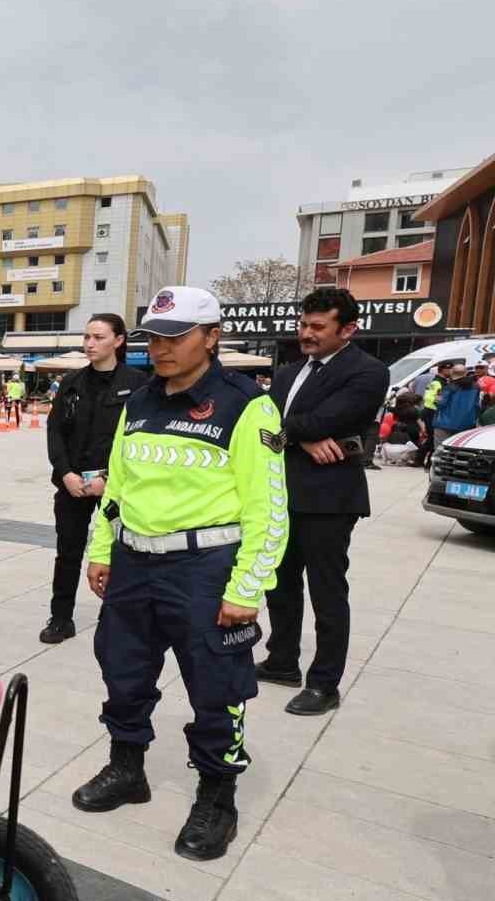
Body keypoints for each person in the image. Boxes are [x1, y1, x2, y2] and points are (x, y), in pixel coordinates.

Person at [76, 286, 287, 862]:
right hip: (133, 563)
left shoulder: (248, 405)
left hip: (205, 568)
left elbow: (268, 510)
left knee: (218, 687)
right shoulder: (139, 400)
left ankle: (217, 797)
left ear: (211, 337)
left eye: (176, 337)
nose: (161, 349)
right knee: (122, 671)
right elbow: (116, 487)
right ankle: (127, 768)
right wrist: (101, 550)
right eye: (153, 337)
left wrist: (247, 589)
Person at [256, 287, 389, 718]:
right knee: (280, 582)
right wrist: (304, 437)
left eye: (317, 327)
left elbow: (326, 419)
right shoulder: (289, 371)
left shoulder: (367, 371)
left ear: (347, 329)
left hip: (330, 496)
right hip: (282, 493)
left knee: (328, 593)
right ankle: (282, 661)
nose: (306, 334)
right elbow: (263, 422)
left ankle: (324, 683)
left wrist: (294, 432)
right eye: (302, 325)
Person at [40, 314, 146, 644]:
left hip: (115, 487)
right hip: (72, 483)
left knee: (118, 552)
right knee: (67, 552)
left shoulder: (139, 384)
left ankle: (111, 617)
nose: (90, 343)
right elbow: (55, 430)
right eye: (87, 337)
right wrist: (65, 473)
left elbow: (140, 439)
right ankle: (60, 617)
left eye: (98, 337)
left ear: (118, 340)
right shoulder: (71, 382)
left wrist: (109, 478)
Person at [428, 363, 482, 446]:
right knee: (460, 448)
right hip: (466, 423)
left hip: (445, 424)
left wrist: (436, 398)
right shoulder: (476, 386)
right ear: (465, 372)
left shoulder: (449, 388)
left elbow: (441, 403)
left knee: (441, 449)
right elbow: (477, 404)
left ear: (452, 372)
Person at [419, 359, 454, 470]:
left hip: (433, 412)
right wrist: (442, 402)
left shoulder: (444, 382)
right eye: (449, 369)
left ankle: (420, 459)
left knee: (432, 438)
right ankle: (427, 462)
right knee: (433, 438)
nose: (451, 371)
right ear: (443, 370)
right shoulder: (437, 382)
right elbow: (429, 397)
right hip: (431, 412)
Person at [378, 391, 427, 466]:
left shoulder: (396, 409)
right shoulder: (414, 410)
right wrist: (424, 431)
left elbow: (386, 406)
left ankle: (396, 458)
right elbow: (420, 422)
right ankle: (413, 459)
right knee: (414, 445)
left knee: (400, 445)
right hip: (413, 430)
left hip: (399, 429)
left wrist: (389, 399)